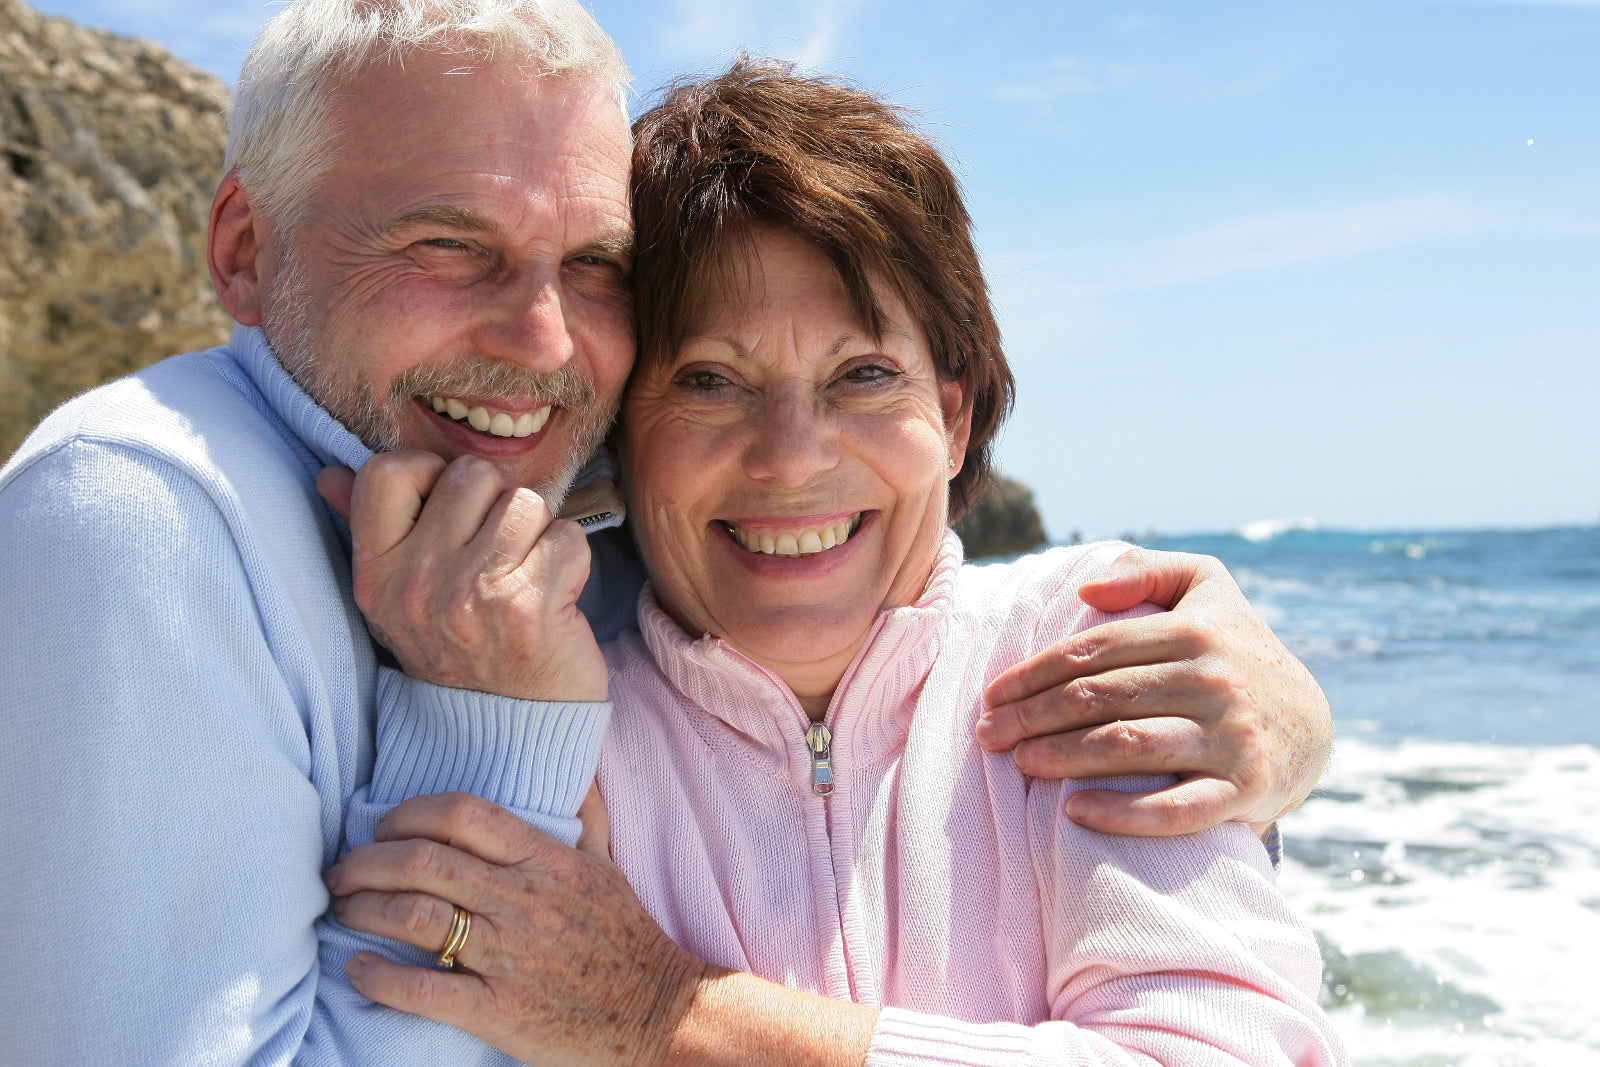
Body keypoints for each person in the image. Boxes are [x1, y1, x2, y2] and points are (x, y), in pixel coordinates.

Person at [0, 2, 1329, 1063]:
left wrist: (671, 1022)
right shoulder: (536, 682)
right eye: (707, 381)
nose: (792, 459)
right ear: (632, 435)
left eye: (864, 375)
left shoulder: (1103, 657)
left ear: (958, 407)